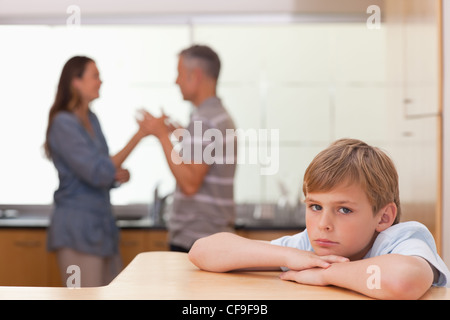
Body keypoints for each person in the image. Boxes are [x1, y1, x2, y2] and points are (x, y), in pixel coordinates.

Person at [189, 138, 450, 300]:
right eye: (315, 206)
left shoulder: (401, 240)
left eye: (344, 210)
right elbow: (202, 251)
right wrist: (287, 256)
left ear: (383, 217)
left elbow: (402, 281)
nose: (323, 223)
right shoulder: (307, 249)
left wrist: (326, 274)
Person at [44, 56, 150, 287]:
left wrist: (116, 176)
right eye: (95, 76)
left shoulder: (92, 119)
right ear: (76, 82)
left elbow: (103, 169)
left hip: (102, 228)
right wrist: (139, 135)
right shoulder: (64, 123)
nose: (100, 82)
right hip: (78, 230)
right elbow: (95, 171)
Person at [139, 45, 237, 253]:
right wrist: (183, 136)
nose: (176, 81)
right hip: (212, 236)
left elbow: (190, 183)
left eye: (180, 74)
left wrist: (162, 136)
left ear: (196, 75)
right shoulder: (219, 116)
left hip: (196, 238)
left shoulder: (204, 119)